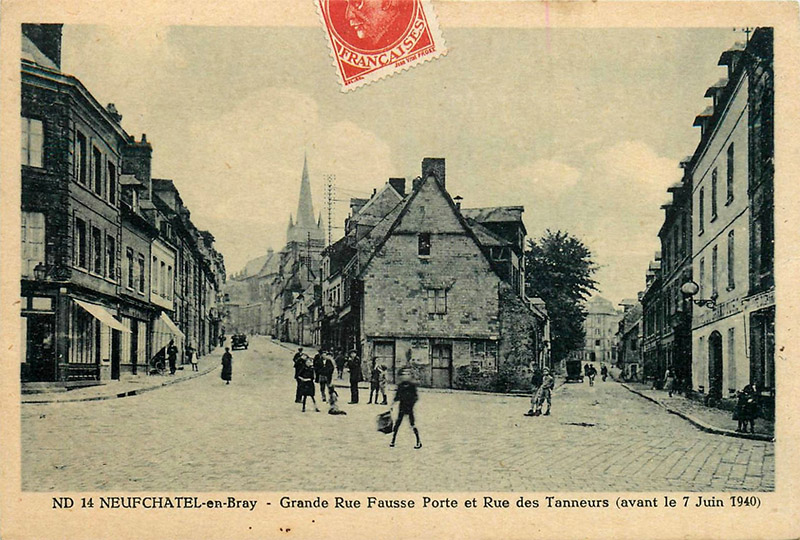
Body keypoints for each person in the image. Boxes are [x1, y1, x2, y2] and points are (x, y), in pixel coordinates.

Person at [390, 368, 422, 449]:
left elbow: (416, 397)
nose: (404, 377)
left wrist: (411, 403)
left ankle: (418, 441)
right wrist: (392, 404)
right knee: (397, 424)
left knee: (412, 424)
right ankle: (393, 441)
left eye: (406, 375)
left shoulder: (412, 386)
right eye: (403, 375)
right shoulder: (400, 385)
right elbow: (397, 396)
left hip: (409, 407)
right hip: (402, 407)